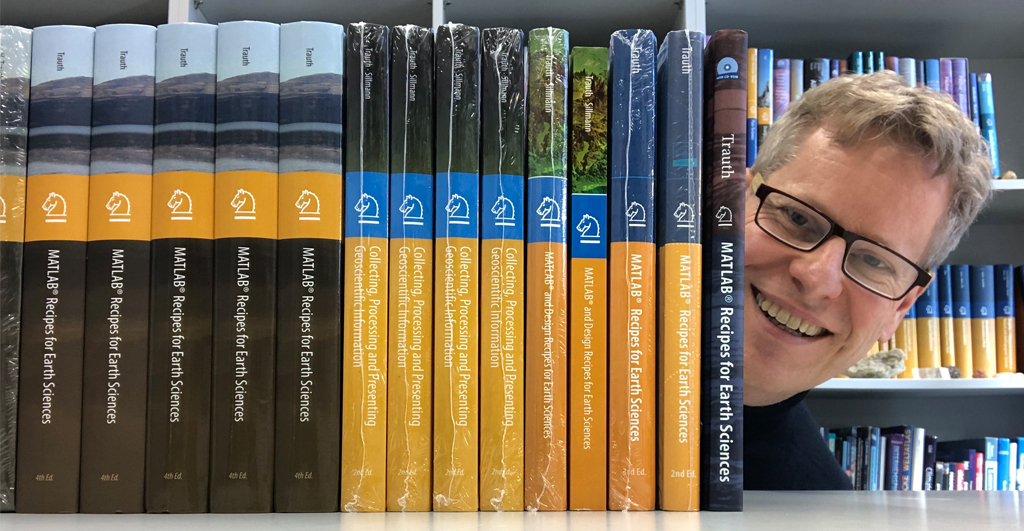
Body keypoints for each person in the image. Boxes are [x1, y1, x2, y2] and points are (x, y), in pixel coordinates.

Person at [742, 71, 992, 490]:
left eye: (874, 260)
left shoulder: (827, 506)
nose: (817, 278)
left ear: (902, 306)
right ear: (731, 203)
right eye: (797, 217)